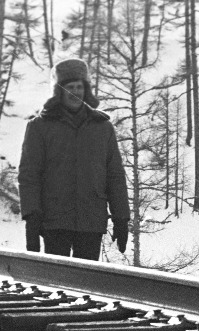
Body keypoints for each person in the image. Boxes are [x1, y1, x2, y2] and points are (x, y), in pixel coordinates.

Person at [19, 58, 130, 259]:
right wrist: (32, 218)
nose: (75, 92)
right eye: (69, 87)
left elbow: (115, 176)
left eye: (79, 87)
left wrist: (121, 218)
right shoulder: (39, 127)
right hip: (54, 221)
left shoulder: (102, 127)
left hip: (91, 221)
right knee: (55, 285)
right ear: (59, 91)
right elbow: (29, 176)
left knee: (86, 285)